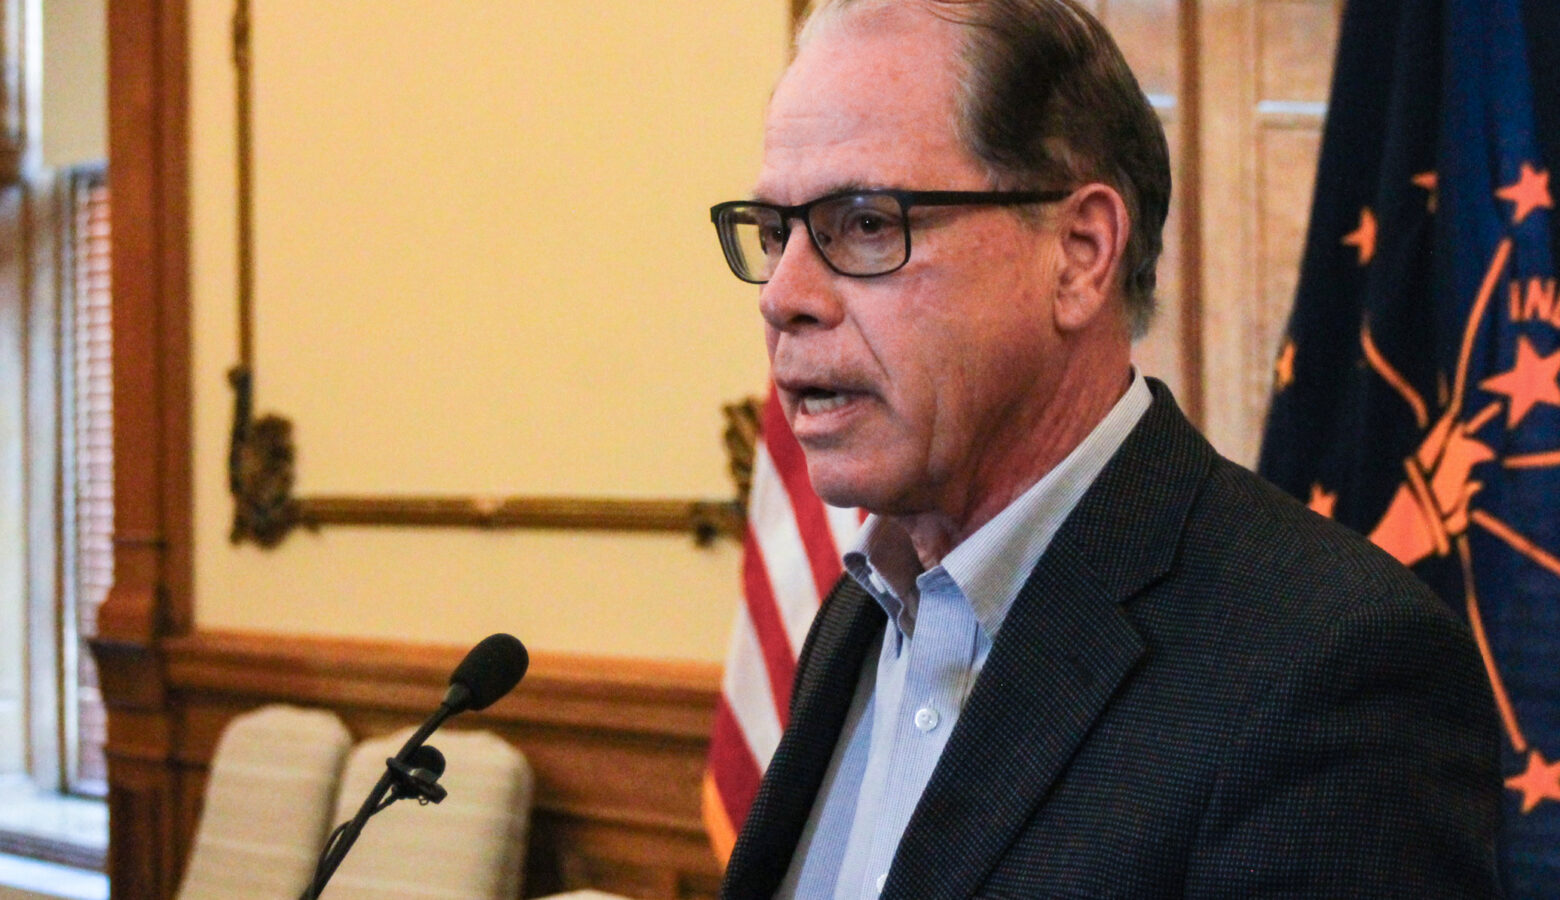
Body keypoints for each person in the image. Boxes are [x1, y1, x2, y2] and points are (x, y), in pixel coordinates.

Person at [707, 0, 1503, 897]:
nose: (784, 295)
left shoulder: (1329, 667)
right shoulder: (865, 610)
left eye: (864, 224)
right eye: (774, 233)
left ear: (1081, 254)